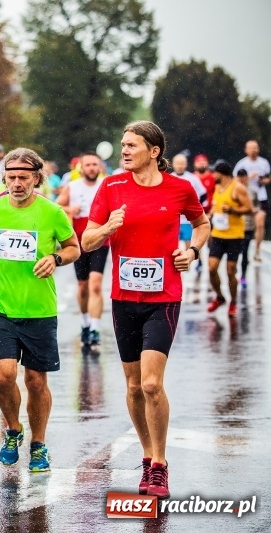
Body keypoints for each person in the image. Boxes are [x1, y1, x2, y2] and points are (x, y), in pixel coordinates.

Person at [82, 121, 209, 499]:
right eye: (122, 144)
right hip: (124, 299)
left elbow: (201, 225)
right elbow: (87, 241)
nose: (123, 151)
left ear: (154, 151)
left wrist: (191, 251)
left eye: (131, 145)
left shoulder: (179, 189)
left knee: (152, 383)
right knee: (134, 386)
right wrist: (107, 228)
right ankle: (147, 453)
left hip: (163, 296)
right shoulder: (111, 187)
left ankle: (160, 464)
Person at [0, 147, 80, 473]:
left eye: (24, 177)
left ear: (37, 177)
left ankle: (38, 443)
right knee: (2, 375)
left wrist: (56, 259)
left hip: (39, 309)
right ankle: (13, 429)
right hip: (1, 306)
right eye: (11, 177)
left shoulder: (52, 212)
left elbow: (73, 247)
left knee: (36, 381)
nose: (17, 183)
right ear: (4, 178)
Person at [56, 152, 108, 349]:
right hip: (79, 242)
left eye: (95, 164)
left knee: (95, 284)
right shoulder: (73, 187)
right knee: (83, 286)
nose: (92, 168)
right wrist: (70, 210)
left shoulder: (106, 186)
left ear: (100, 167)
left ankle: (95, 328)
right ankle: (85, 322)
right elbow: (56, 207)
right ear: (82, 168)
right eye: (88, 165)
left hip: (101, 239)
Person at [206, 160, 252, 317]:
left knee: (230, 271)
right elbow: (215, 206)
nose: (212, 175)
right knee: (211, 268)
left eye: (214, 173)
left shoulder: (237, 187)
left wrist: (232, 210)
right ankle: (219, 297)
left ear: (221, 173)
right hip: (218, 235)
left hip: (234, 236)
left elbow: (249, 209)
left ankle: (233, 302)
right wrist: (210, 214)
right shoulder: (218, 188)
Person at [233, 140, 270, 262]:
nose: (253, 150)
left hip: (260, 197)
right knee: (245, 227)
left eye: (255, 148)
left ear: (258, 149)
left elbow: (267, 178)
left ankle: (257, 251)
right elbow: (235, 180)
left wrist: (263, 180)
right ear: (246, 150)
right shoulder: (241, 164)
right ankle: (242, 250)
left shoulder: (264, 163)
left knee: (260, 225)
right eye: (251, 148)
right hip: (246, 196)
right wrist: (249, 178)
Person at [170, 154, 207, 250]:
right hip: (174, 218)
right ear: (173, 164)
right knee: (173, 245)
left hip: (188, 220)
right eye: (178, 163)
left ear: (186, 164)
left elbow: (203, 194)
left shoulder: (193, 178)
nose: (180, 166)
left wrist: (194, 209)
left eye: (182, 163)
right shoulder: (169, 178)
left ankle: (188, 264)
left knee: (188, 243)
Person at [236, 169, 258, 288]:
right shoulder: (233, 189)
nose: (241, 179)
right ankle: (233, 268)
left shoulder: (253, 191)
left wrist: (250, 210)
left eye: (243, 177)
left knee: (245, 252)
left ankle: (243, 275)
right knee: (235, 252)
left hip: (248, 226)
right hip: (234, 226)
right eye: (239, 177)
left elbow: (257, 207)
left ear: (246, 177)